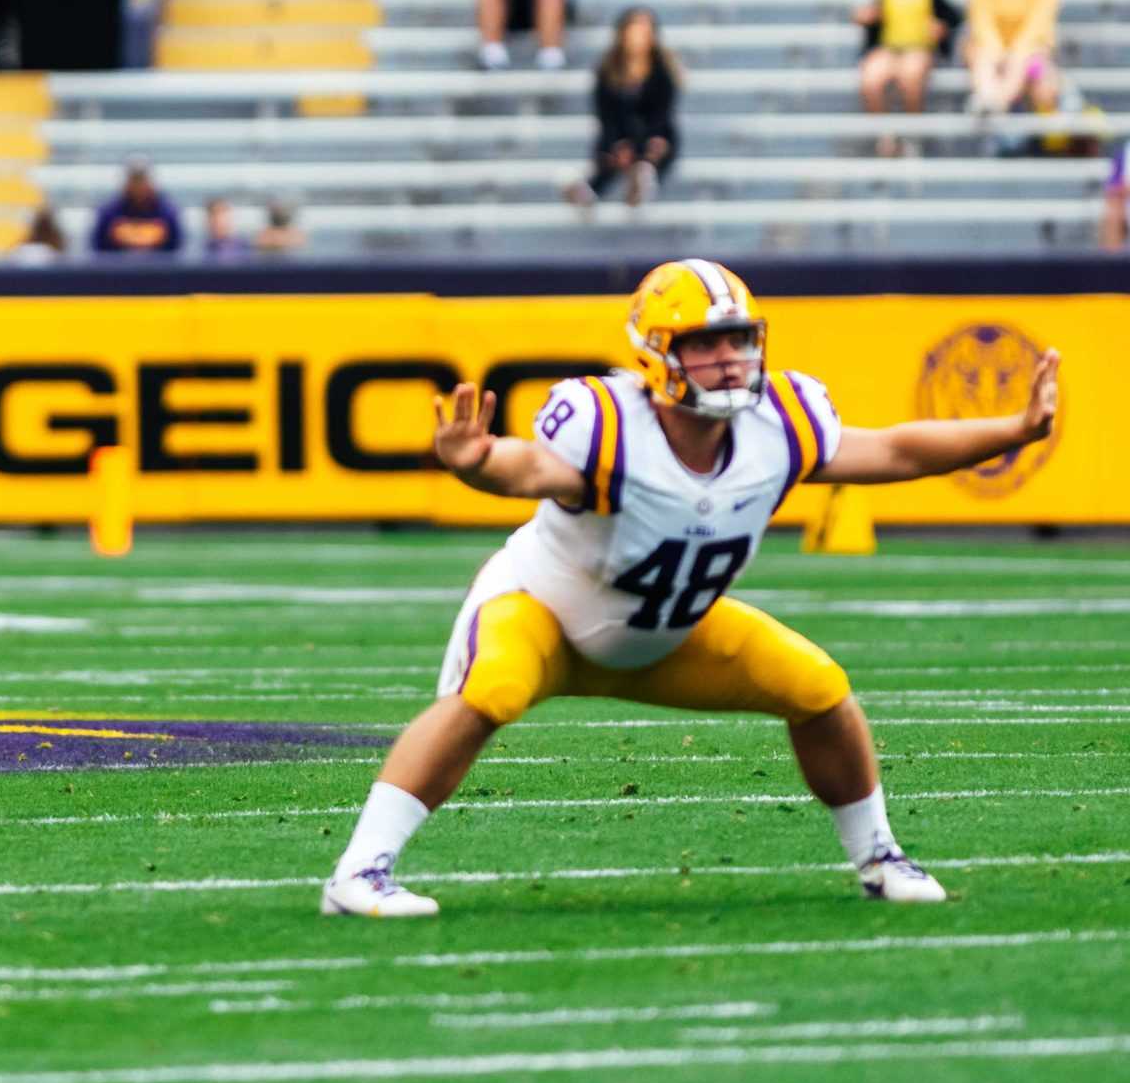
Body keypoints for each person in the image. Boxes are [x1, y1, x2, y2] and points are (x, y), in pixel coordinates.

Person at [319, 258, 1060, 919]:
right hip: (547, 612)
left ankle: (879, 856)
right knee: (492, 689)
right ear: (657, 354)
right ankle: (358, 870)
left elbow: (894, 449)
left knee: (820, 685)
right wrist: (476, 462)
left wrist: (1015, 429)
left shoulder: (782, 420)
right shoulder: (609, 424)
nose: (730, 359)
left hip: (669, 631)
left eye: (738, 339)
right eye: (705, 343)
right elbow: (529, 469)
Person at [854, 0, 959, 153]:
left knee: (910, 75)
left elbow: (954, 16)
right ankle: (885, 134)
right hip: (890, 47)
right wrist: (868, 18)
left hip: (918, 47)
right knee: (870, 77)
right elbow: (876, 18)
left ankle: (913, 132)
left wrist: (940, 27)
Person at [569, 7, 679, 209]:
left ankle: (641, 181)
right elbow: (606, 114)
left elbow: (661, 114)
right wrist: (618, 143)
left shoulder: (663, 72)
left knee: (654, 149)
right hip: (617, 133)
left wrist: (644, 143)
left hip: (654, 134)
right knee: (611, 153)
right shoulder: (608, 71)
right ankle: (593, 190)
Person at [965, 0, 1060, 119]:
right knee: (983, 56)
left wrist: (1016, 49)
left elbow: (1038, 23)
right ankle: (988, 98)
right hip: (992, 49)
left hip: (1030, 49)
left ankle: (996, 103)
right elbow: (981, 21)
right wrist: (998, 50)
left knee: (1022, 61)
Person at [90, 160, 182, 254]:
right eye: (134, 180)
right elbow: (98, 247)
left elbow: (176, 246)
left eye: (142, 180)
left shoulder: (167, 212)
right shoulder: (108, 213)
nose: (138, 186)